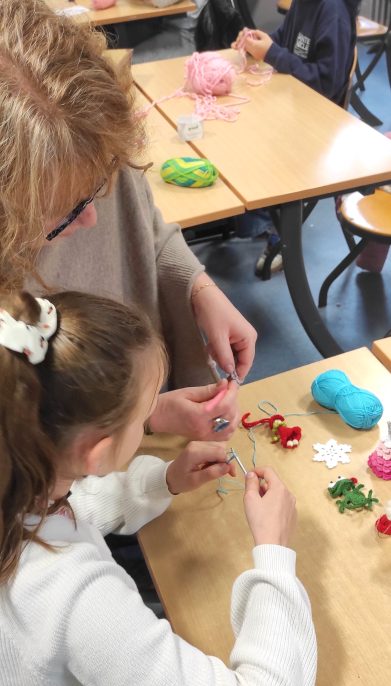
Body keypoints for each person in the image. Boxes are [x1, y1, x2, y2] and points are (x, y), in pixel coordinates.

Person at [0, 289, 316, 686]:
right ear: (96, 454)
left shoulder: (17, 485)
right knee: (214, 636)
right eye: (147, 410)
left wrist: (162, 480)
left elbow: (66, 517)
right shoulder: (74, 597)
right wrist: (275, 554)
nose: (154, 415)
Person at [0, 0, 257, 442]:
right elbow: (25, 458)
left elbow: (145, 230)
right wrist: (144, 420)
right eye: (69, 212)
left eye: (105, 183)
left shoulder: (85, 142)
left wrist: (198, 287)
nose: (96, 216)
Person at [232, 0, 360, 273]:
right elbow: (283, 41)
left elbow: (326, 84)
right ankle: (256, 219)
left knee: (249, 143)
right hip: (293, 108)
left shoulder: (333, 12)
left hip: (317, 127)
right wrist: (259, 44)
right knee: (237, 128)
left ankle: (275, 228)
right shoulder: (304, 3)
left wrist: (273, 54)